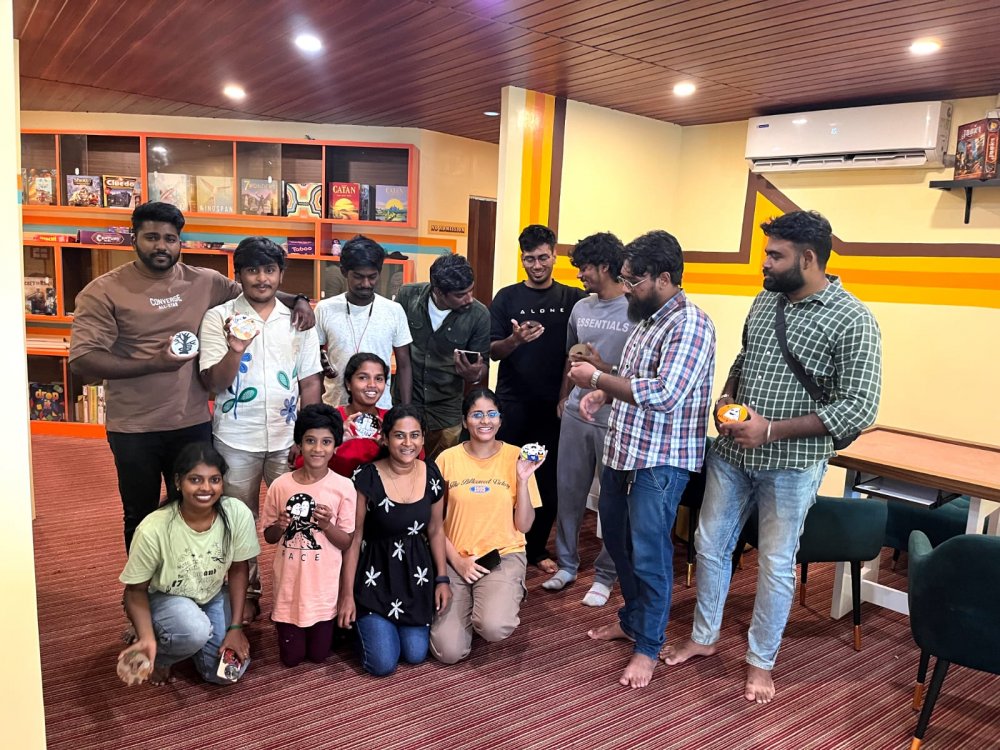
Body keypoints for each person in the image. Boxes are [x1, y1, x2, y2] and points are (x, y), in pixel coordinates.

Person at [663, 210, 882, 704]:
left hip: (793, 465)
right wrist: (727, 397)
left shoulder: (853, 320)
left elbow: (858, 407)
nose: (763, 262)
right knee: (709, 545)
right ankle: (704, 636)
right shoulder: (767, 299)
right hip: (731, 454)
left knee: (776, 563)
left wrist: (771, 431)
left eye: (774, 255)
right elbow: (745, 358)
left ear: (808, 259)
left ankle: (760, 661)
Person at [69, 202, 314, 551]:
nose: (161, 246)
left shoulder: (204, 281)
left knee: (197, 510)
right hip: (134, 427)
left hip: (192, 423)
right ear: (132, 238)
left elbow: (256, 290)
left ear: (179, 242)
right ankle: (146, 583)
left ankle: (191, 579)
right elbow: (82, 360)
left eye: (170, 238)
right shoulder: (103, 290)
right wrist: (154, 363)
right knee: (140, 513)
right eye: (151, 237)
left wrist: (300, 300)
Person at [569, 230, 716, 689]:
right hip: (623, 451)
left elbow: (665, 393)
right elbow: (634, 379)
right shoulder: (647, 319)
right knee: (618, 544)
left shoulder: (690, 324)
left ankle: (649, 647)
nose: (627, 288)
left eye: (634, 280)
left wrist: (597, 379)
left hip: (660, 461)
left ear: (664, 278)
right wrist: (604, 388)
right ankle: (633, 621)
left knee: (650, 555)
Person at [198, 236, 323, 620]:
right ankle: (248, 592)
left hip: (287, 439)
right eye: (252, 270)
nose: (262, 278)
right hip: (236, 439)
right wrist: (235, 348)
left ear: (281, 274)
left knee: (299, 517)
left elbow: (310, 382)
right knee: (239, 521)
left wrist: (306, 437)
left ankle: (297, 591)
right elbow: (213, 383)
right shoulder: (218, 318)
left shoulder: (298, 320)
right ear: (238, 275)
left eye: (269, 270)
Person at [118, 442, 259, 685]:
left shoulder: (236, 513)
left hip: (211, 593)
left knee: (225, 675)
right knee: (194, 630)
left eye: (214, 480)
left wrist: (236, 627)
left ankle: (186, 640)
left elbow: (238, 568)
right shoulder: (154, 528)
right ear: (178, 482)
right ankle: (159, 652)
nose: (206, 488)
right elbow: (134, 591)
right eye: (195, 480)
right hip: (164, 597)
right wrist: (147, 637)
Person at [489, 224, 587, 573]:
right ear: (522, 259)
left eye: (543, 257)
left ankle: (535, 548)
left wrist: (566, 395)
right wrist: (514, 340)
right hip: (512, 403)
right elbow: (492, 351)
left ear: (554, 255)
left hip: (555, 406)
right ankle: (500, 542)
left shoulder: (573, 299)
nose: (536, 265)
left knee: (546, 479)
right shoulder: (506, 297)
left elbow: (577, 352)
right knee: (505, 476)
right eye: (529, 259)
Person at [543, 232, 631, 605]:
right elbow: (572, 356)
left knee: (612, 499)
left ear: (605, 267)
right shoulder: (581, 308)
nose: (579, 274)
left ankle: (606, 575)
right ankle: (567, 564)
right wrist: (564, 397)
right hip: (576, 414)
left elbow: (637, 375)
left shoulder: (635, 310)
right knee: (569, 491)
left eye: (584, 268)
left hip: (616, 417)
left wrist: (601, 369)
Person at [429, 389, 543, 664]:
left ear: (500, 420)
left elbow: (524, 525)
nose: (485, 421)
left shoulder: (518, 457)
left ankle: (493, 601)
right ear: (465, 420)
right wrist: (458, 562)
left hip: (502, 555)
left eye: (492, 414)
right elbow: (433, 523)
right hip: (455, 556)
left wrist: (523, 480)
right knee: (448, 652)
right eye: (476, 414)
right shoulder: (446, 459)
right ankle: (477, 603)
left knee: (493, 626)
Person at [337, 405, 450, 676]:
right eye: (399, 435)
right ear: (385, 439)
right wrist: (346, 595)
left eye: (415, 435)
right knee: (383, 663)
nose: (408, 443)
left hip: (415, 575)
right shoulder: (366, 476)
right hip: (374, 576)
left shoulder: (431, 473)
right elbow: (355, 537)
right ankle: (361, 625)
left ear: (423, 438)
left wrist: (442, 579)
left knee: (415, 653)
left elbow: (436, 529)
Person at [260, 404, 356, 668]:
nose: (317, 449)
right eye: (310, 441)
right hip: (288, 587)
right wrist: (280, 526)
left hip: (323, 591)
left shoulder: (344, 487)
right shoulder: (280, 485)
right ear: (299, 444)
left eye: (326, 442)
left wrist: (326, 525)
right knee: (291, 658)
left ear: (336, 446)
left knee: (318, 655)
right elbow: (269, 536)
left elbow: (346, 541)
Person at [394, 254, 489, 458]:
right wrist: (405, 408)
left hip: (446, 410)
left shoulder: (479, 315)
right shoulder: (408, 296)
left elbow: (483, 365)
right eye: (460, 294)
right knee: (402, 465)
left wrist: (475, 374)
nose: (469, 298)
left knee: (442, 470)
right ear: (438, 291)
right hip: (407, 399)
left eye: (471, 290)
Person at [314, 235, 412, 409]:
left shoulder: (394, 311)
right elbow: (312, 360)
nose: (366, 284)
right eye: (358, 277)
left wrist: (406, 410)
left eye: (372, 277)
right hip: (335, 407)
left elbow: (404, 365)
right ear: (344, 271)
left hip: (380, 410)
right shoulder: (324, 309)